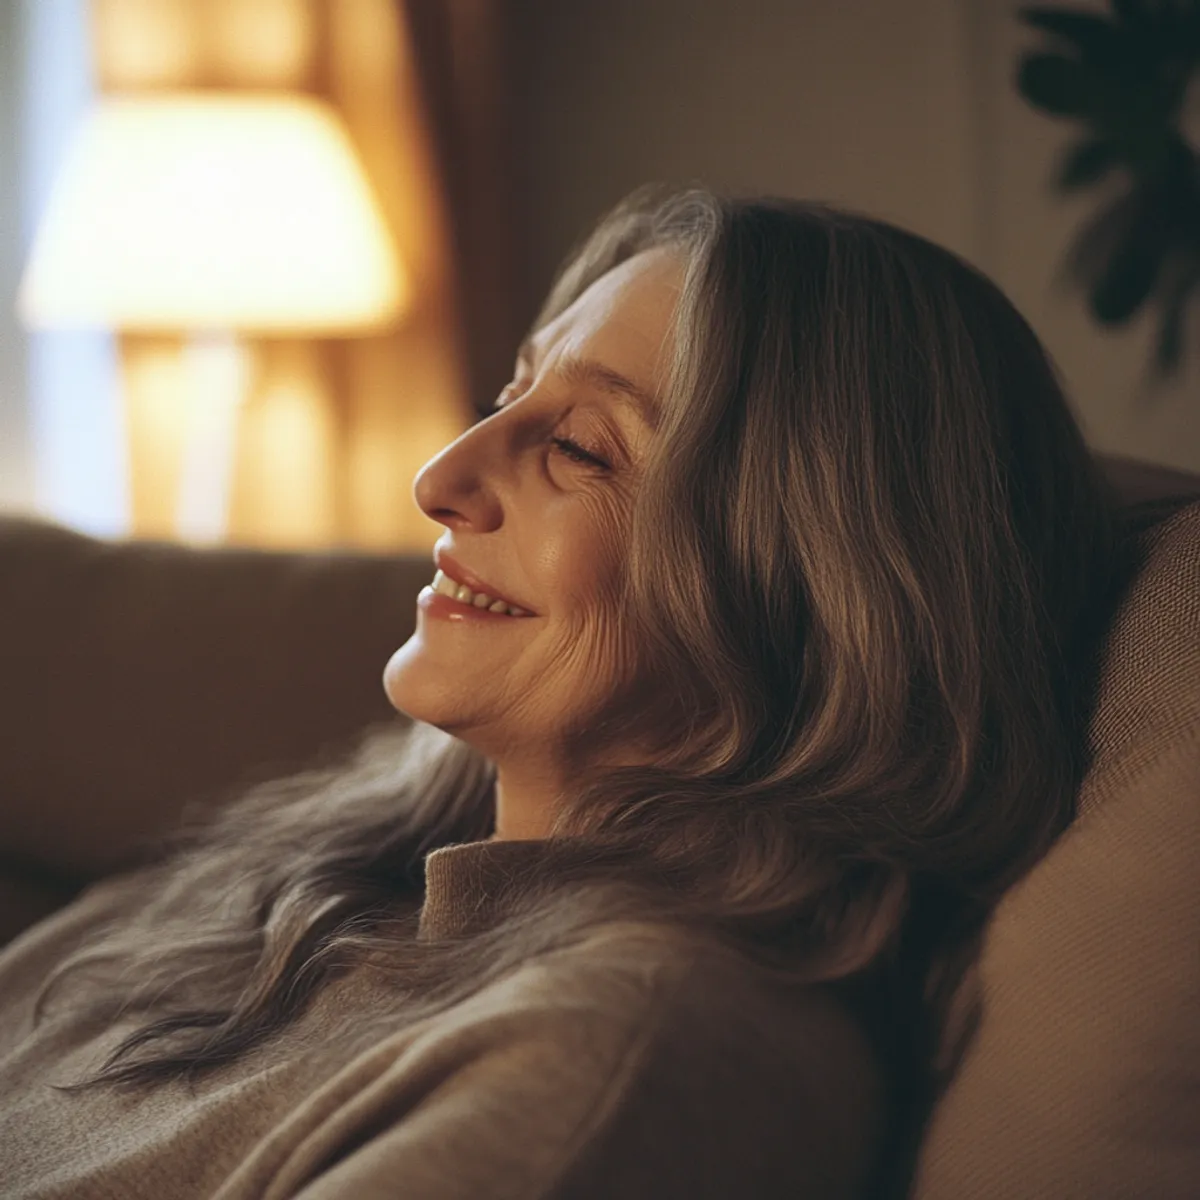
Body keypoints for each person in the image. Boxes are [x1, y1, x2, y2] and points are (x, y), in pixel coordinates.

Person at [0, 187, 1122, 1199]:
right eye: (508, 391)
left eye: (580, 449)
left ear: (812, 590)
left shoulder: (631, 1050)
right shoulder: (321, 872)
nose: (439, 479)